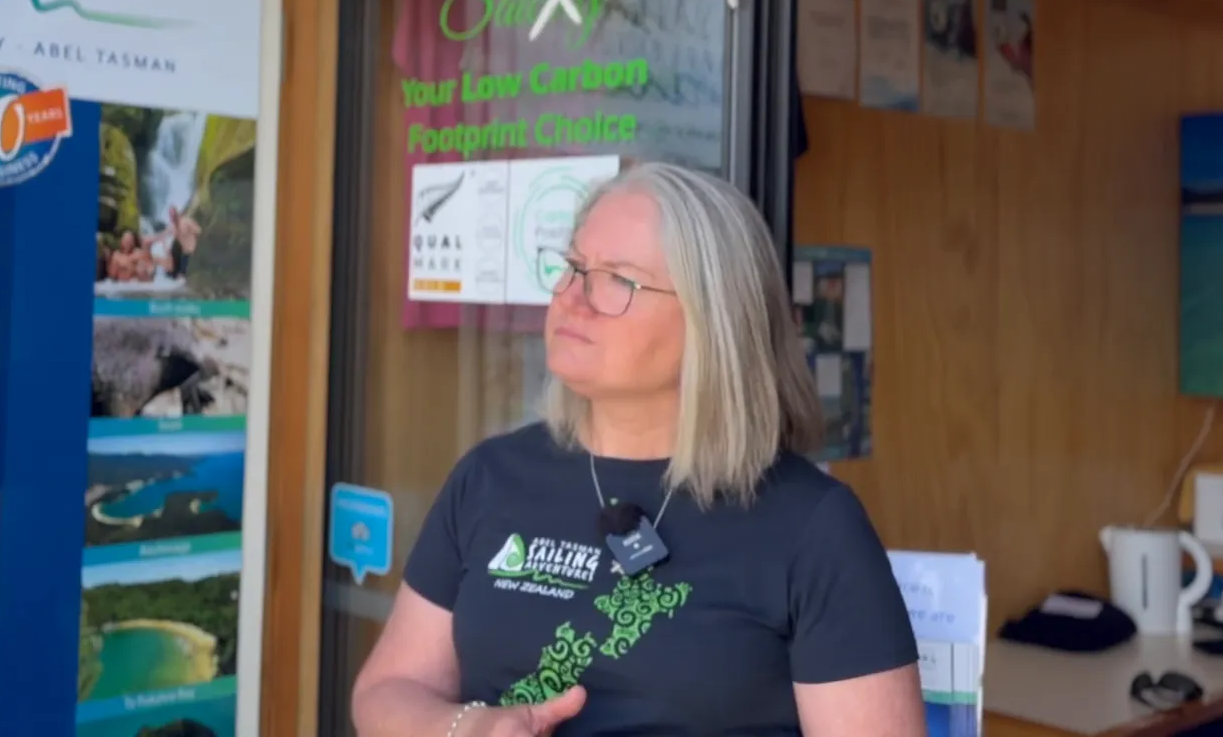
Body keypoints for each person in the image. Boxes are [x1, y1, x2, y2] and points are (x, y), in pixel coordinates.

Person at [351, 162, 924, 736]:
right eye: (573, 267)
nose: (573, 298)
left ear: (714, 320)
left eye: (618, 281)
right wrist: (467, 729)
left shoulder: (814, 529)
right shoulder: (490, 479)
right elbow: (386, 693)